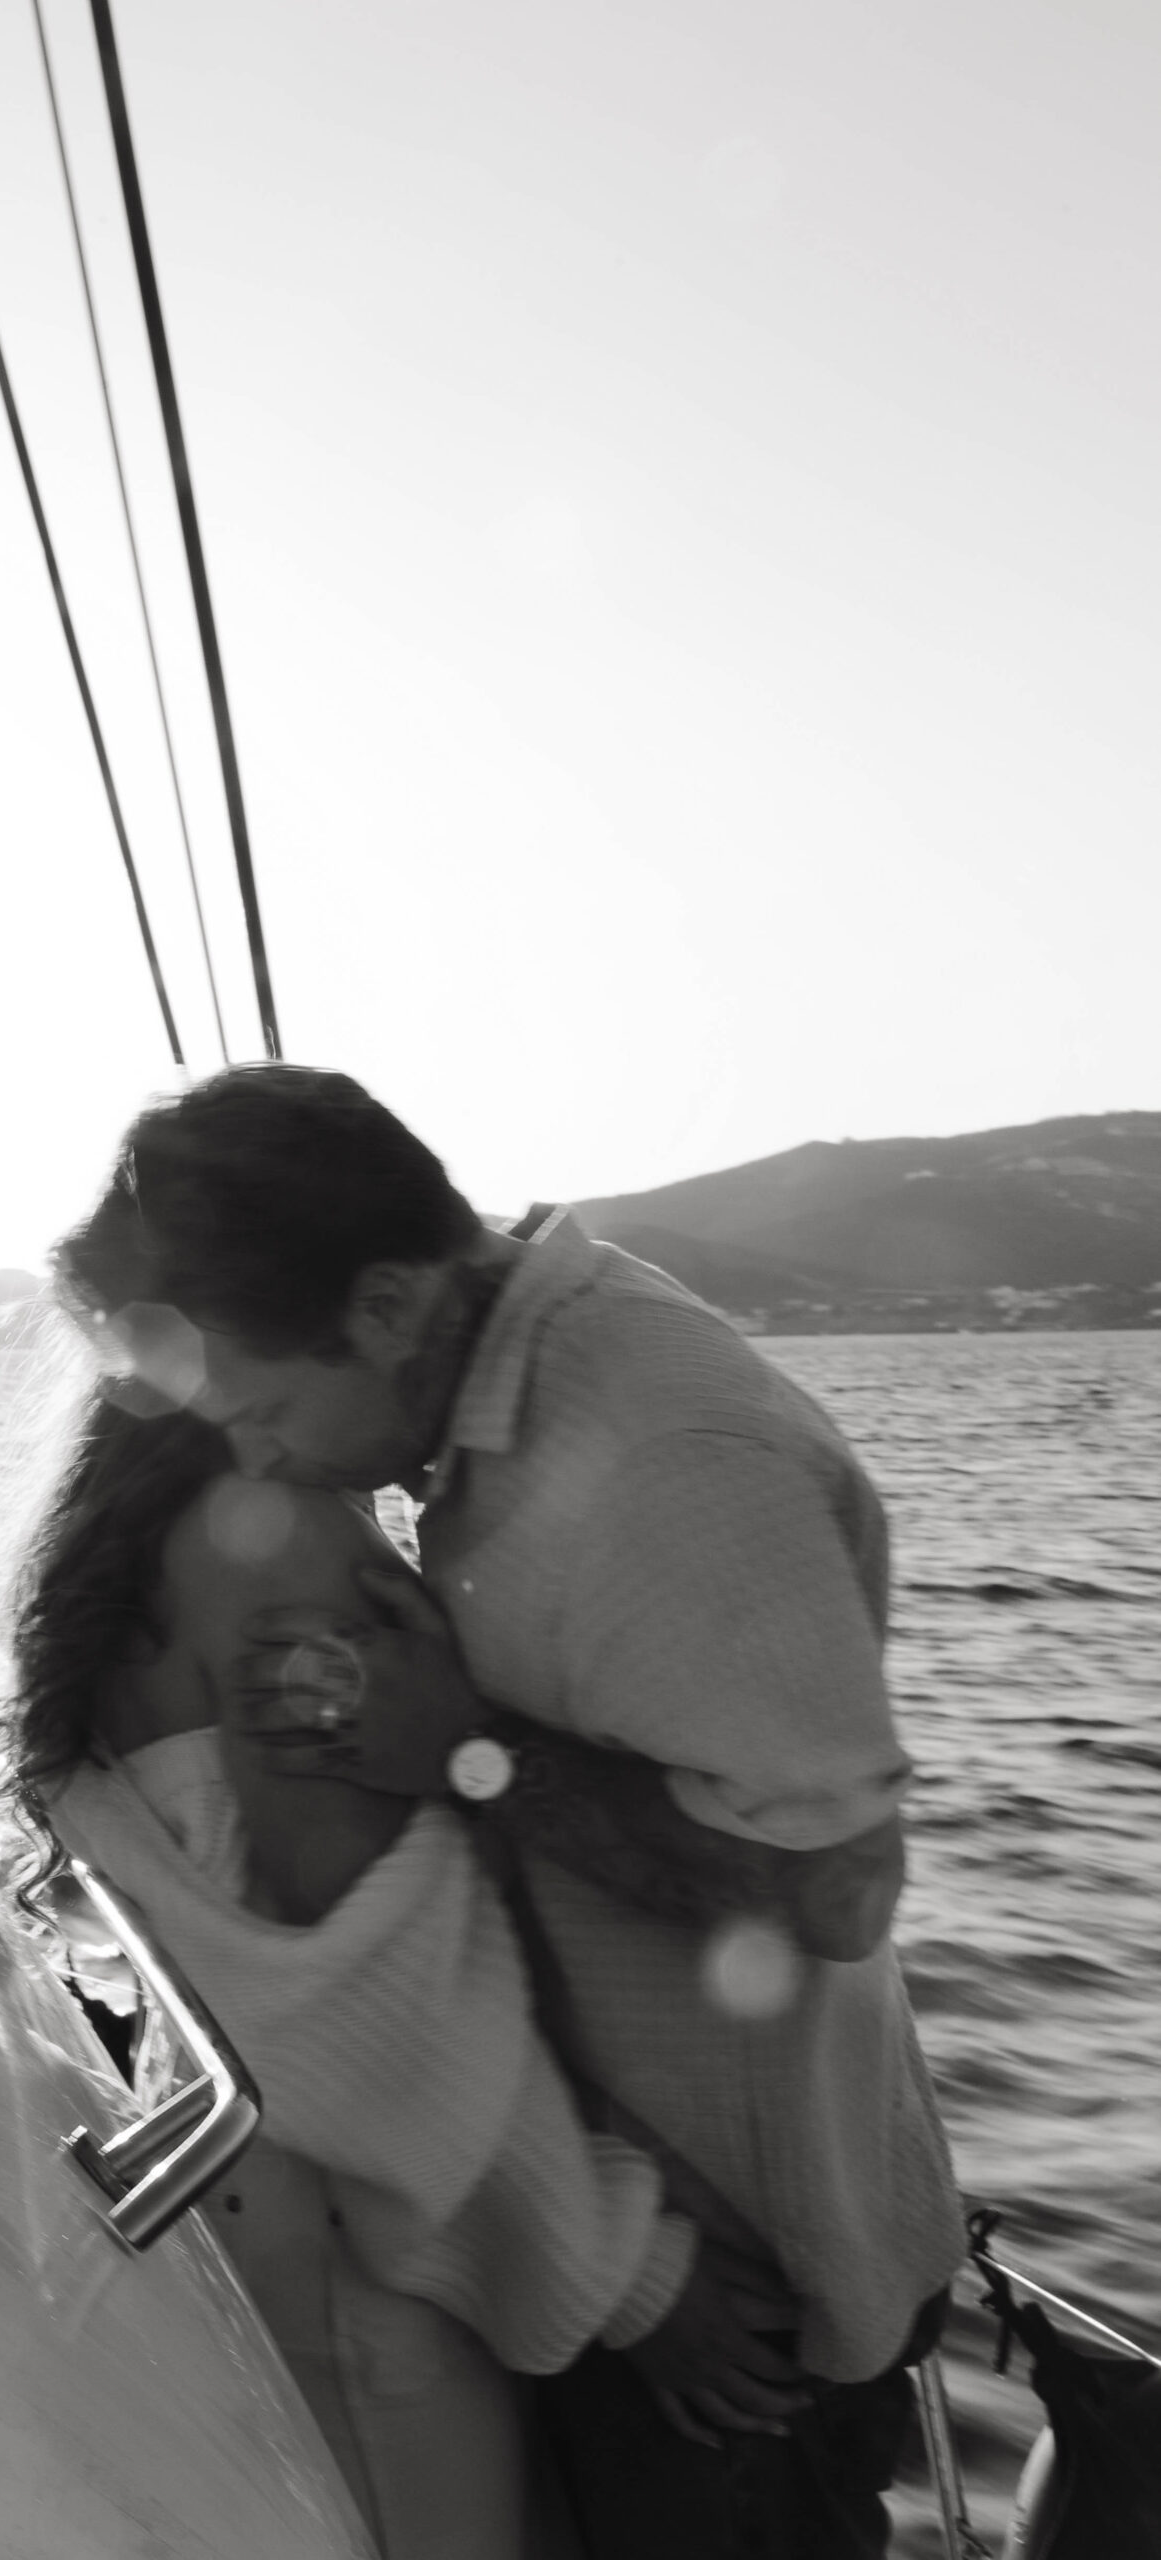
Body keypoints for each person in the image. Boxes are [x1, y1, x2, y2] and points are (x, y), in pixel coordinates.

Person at [51, 1062, 966, 2560]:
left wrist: (473, 1753)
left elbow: (839, 1890)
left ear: (393, 1304)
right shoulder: (496, 1406)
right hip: (627, 2243)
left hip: (745, 2294)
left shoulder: (665, 1455)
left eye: (268, 1408)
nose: (257, 1455)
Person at [0, 1390, 804, 2560]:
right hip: (377, 2258)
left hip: (254, 2221)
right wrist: (634, 2276)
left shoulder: (110, 1539)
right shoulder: (280, 1535)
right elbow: (381, 1998)